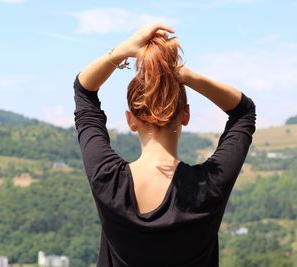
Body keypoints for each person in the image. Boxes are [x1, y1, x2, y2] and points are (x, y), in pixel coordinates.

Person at [73, 23, 256, 267]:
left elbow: (84, 91)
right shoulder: (209, 186)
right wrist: (185, 75)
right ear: (186, 115)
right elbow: (243, 112)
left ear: (131, 121)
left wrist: (122, 51)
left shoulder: (108, 179)